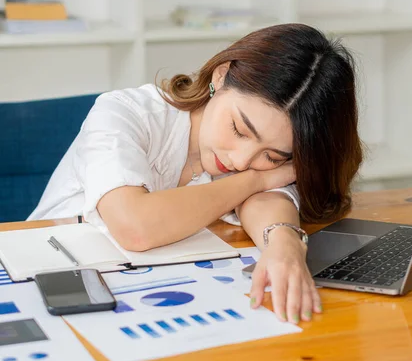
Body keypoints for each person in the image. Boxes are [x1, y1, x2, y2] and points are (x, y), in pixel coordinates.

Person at [28, 23, 364, 324]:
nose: (241, 159)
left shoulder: (258, 164)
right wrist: (257, 178)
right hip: (38, 280)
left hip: (134, 290)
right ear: (221, 75)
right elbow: (135, 227)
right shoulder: (124, 113)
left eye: (273, 155)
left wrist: (285, 243)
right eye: (240, 129)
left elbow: (271, 200)